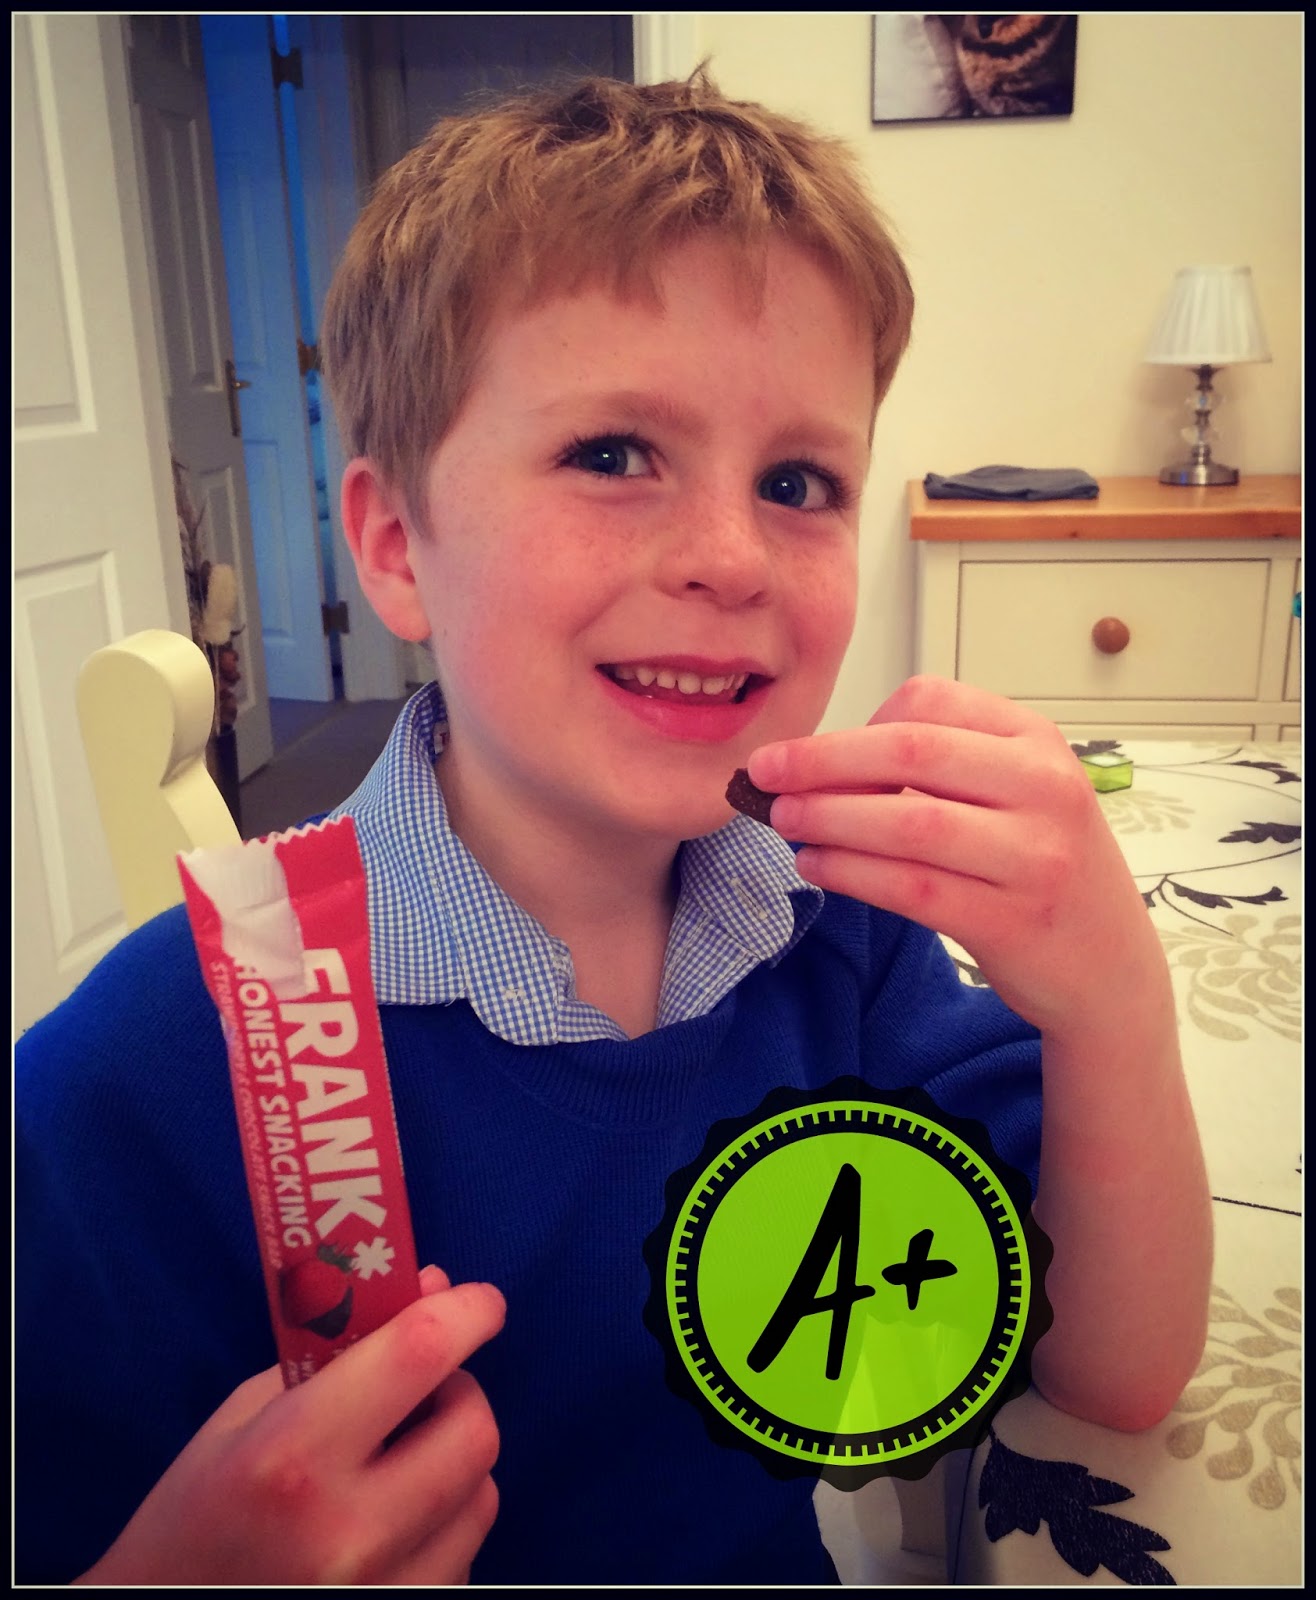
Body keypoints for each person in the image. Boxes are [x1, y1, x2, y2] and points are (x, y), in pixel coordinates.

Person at [15, 72, 1212, 1586]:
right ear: (394, 544)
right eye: (612, 454)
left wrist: (1112, 999)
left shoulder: (836, 935)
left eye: (798, 482)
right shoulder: (160, 1066)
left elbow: (1114, 1371)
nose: (729, 556)